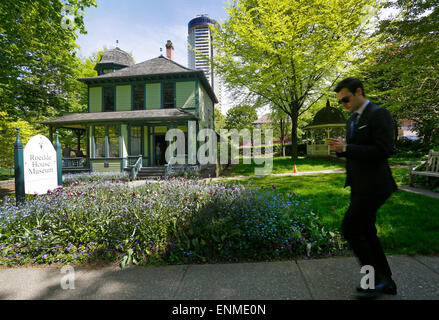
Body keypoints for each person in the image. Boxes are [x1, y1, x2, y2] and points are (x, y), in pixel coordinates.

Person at [326, 77, 398, 299]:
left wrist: (348, 147)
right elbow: (355, 150)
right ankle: (384, 282)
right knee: (367, 232)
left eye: (346, 99)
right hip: (359, 185)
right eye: (340, 102)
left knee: (350, 229)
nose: (343, 104)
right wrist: (340, 149)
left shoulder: (379, 114)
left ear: (359, 92)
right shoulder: (351, 121)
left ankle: (374, 281)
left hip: (376, 185)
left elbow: (384, 149)